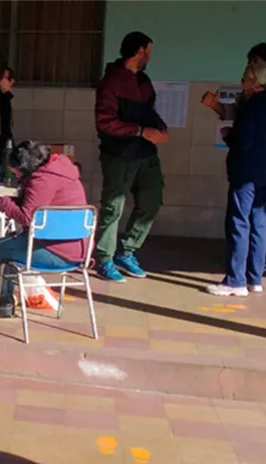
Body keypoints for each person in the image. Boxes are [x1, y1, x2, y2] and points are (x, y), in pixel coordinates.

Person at [202, 43, 266, 273]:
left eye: (254, 62)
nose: (248, 67)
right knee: (258, 215)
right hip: (263, 160)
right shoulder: (261, 99)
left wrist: (231, 138)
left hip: (256, 162)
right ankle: (255, 271)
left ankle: (240, 274)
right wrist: (217, 107)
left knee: (243, 217)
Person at [93, 31, 169, 283]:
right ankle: (104, 259)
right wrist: (140, 131)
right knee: (113, 206)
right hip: (119, 154)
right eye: (149, 51)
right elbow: (105, 122)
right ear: (139, 51)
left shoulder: (144, 81)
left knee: (152, 201)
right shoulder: (111, 81)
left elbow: (150, 113)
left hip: (146, 153)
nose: (150, 57)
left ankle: (127, 250)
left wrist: (160, 128)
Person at [0, 141, 91, 317]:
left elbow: (27, 218)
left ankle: (3, 302)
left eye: (17, 172)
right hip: (79, 250)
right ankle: (4, 300)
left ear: (26, 168)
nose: (16, 175)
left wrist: (0, 201)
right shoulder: (63, 171)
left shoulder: (42, 180)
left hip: (56, 252)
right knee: (7, 247)